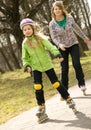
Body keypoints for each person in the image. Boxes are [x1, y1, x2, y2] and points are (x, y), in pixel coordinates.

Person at [20, 18, 77, 123]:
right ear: (23, 32)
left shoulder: (40, 39)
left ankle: (68, 98)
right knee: (37, 86)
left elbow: (50, 47)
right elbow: (25, 58)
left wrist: (57, 54)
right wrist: (27, 66)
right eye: (25, 30)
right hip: (36, 67)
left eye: (28, 28)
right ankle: (41, 106)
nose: (27, 31)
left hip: (47, 64)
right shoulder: (24, 43)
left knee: (55, 83)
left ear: (32, 28)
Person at [49, 1, 90, 95]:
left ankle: (82, 83)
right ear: (53, 11)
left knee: (76, 64)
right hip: (62, 47)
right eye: (56, 9)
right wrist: (59, 44)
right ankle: (64, 90)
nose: (58, 10)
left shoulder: (69, 18)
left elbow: (77, 28)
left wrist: (84, 37)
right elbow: (53, 37)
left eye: (59, 8)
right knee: (64, 68)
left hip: (73, 44)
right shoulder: (52, 24)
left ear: (62, 9)